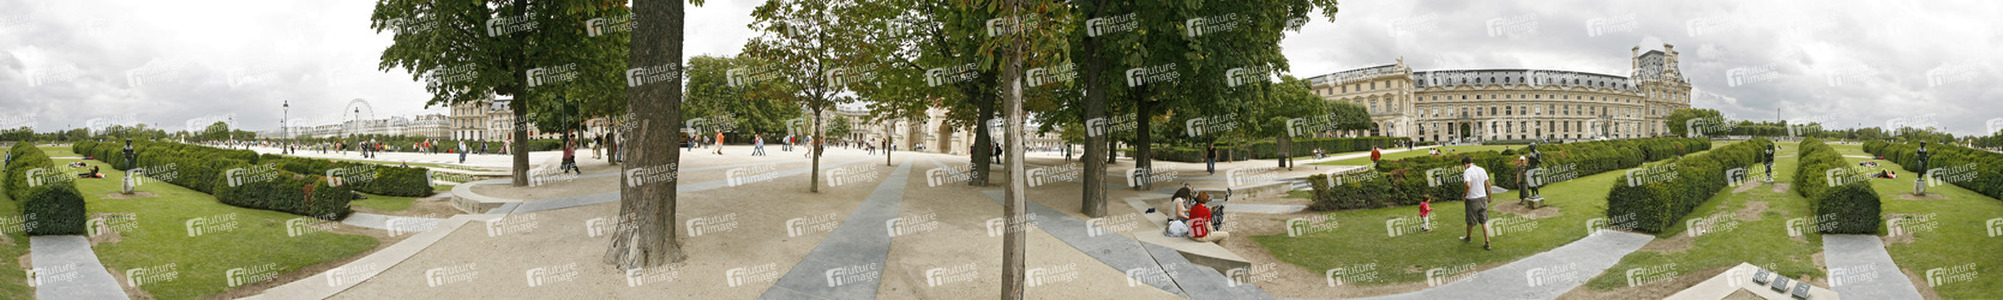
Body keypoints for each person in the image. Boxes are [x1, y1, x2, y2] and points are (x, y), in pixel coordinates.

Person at [1459, 156, 1494, 250]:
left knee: (1470, 220)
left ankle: (1468, 237)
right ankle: (1487, 242)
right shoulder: (1481, 170)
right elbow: (1488, 185)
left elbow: (1467, 185)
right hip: (1482, 198)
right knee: (1484, 221)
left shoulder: (1467, 172)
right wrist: (1490, 196)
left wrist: (1465, 195)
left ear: (1465, 164)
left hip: (1472, 199)